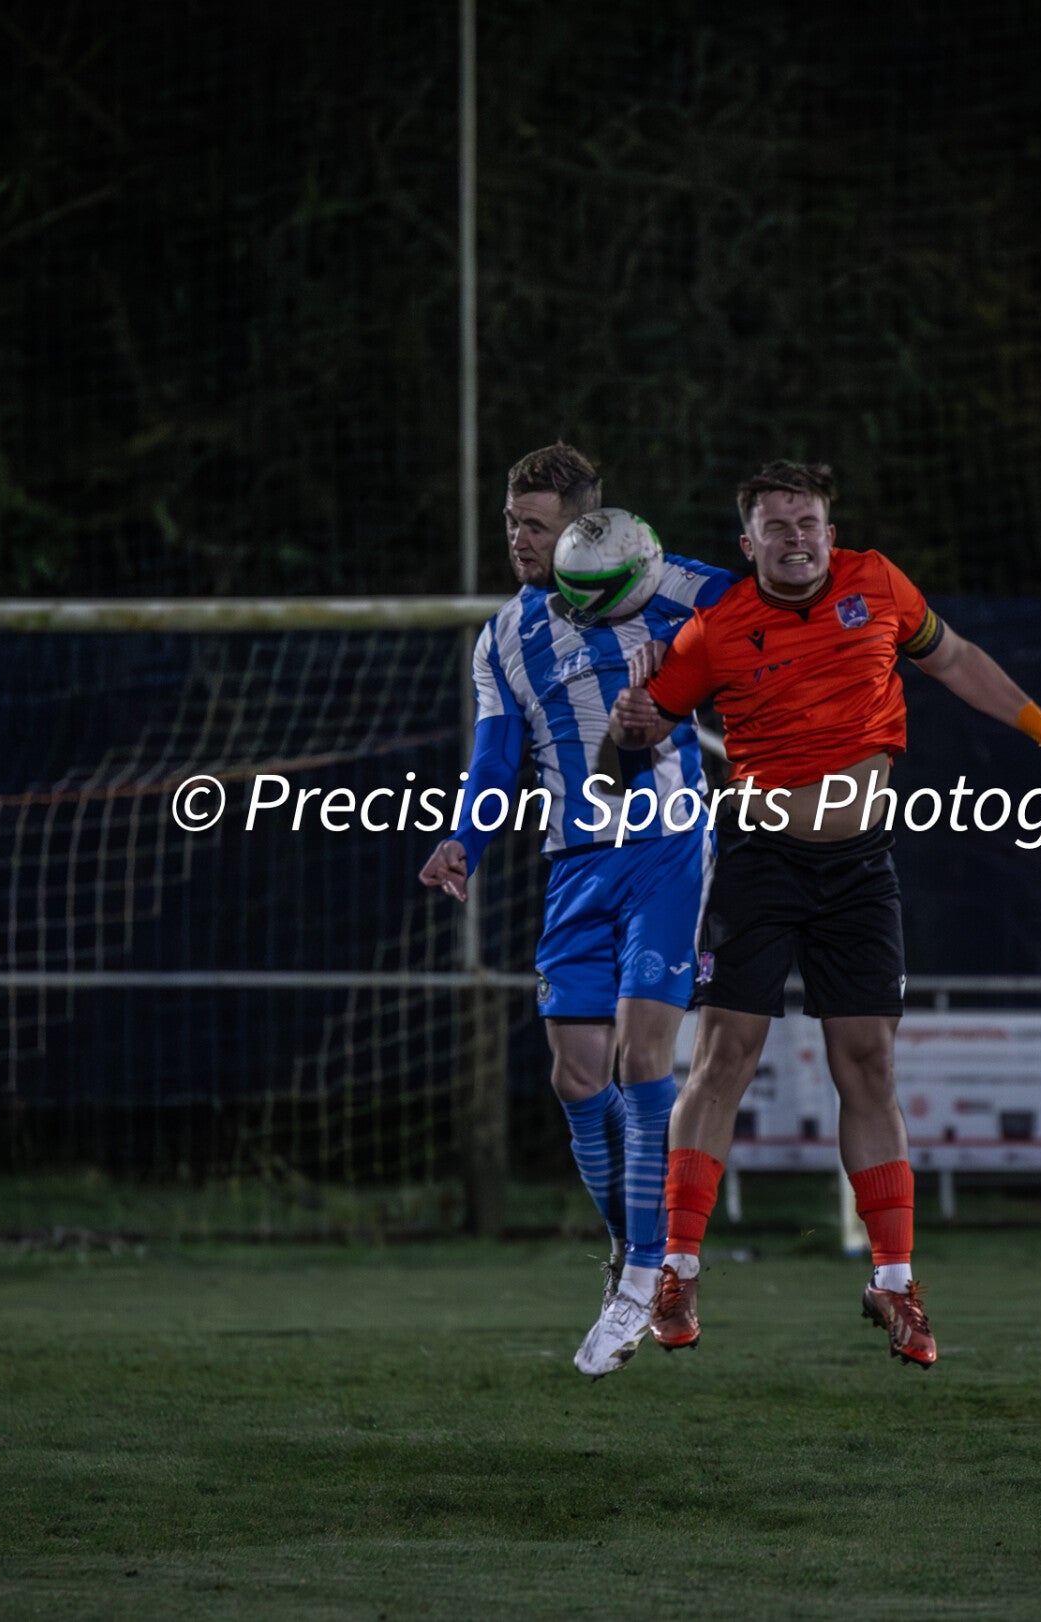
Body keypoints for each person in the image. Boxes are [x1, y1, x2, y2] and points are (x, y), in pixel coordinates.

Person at [609, 461, 1041, 1368]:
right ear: (746, 543)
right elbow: (628, 749)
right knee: (723, 1060)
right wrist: (632, 720)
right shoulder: (713, 633)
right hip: (760, 861)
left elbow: (951, 658)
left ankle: (894, 1280)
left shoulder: (877, 584)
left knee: (867, 1063)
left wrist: (1040, 726)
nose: (796, 537)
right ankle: (676, 1268)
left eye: (810, 522)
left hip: (861, 866)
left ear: (830, 534)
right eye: (776, 525)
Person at [418, 443, 734, 1377]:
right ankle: (631, 1248)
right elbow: (494, 760)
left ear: (584, 529)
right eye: (512, 522)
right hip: (574, 864)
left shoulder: (668, 583)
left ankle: (646, 1277)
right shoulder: (502, 638)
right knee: (575, 1077)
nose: (519, 539)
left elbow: (763, 614)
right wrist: (461, 843)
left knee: (643, 1060)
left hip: (672, 846)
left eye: (537, 526)